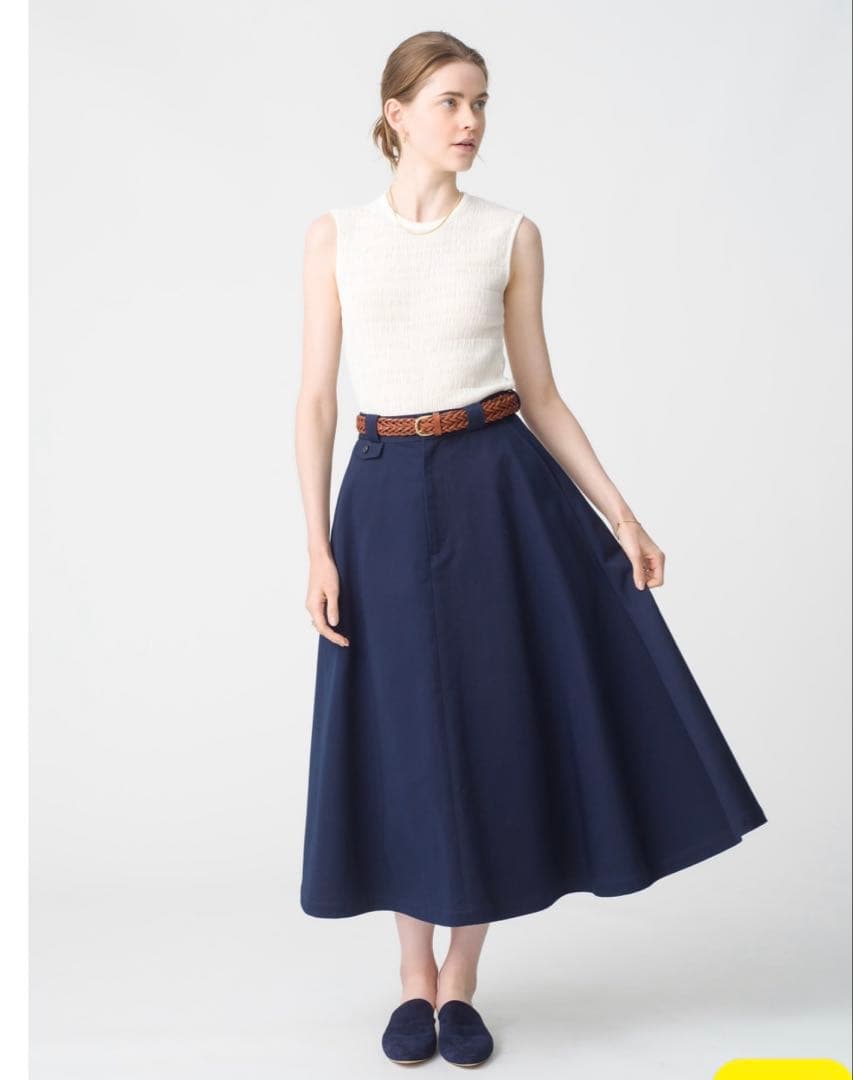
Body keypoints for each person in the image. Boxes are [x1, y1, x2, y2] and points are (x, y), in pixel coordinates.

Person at [294, 30, 767, 1068]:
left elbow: (542, 394)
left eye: (481, 103)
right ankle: (410, 979)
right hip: (381, 495)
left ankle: (460, 982)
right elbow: (317, 400)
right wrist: (317, 549)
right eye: (450, 102)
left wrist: (622, 516)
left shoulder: (508, 234)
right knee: (401, 730)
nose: (470, 121)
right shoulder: (337, 236)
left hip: (496, 485)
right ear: (396, 114)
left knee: (487, 721)